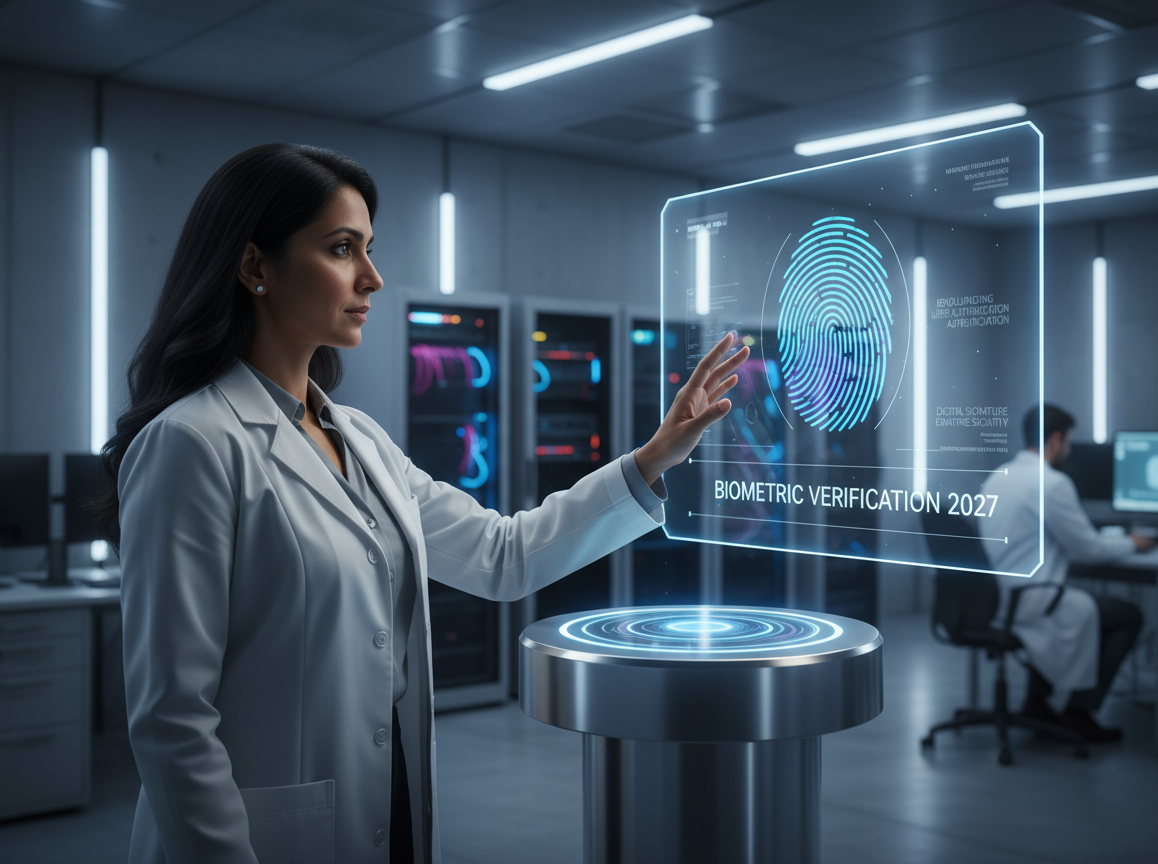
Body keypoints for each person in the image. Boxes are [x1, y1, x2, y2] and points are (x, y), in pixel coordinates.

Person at [97, 143, 749, 864]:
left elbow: (504, 556)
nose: (372, 278)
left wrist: (656, 455)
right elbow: (172, 721)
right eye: (342, 249)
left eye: (369, 249)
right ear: (255, 266)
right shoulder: (191, 443)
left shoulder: (362, 440)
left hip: (387, 815)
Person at [980, 404, 1151, 743]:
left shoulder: (1000, 475)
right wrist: (1134, 542)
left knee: (1073, 607)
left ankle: (1037, 701)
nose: (1069, 450)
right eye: (1068, 441)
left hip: (994, 599)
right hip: (1029, 599)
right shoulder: (1052, 483)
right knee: (1127, 616)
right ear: (1056, 439)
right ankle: (1079, 712)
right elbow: (1089, 549)